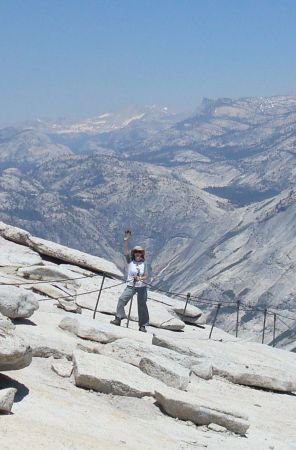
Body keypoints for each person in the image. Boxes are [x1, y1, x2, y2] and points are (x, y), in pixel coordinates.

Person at [110, 230, 149, 332]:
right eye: (136, 252)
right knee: (122, 299)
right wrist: (126, 241)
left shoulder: (145, 264)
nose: (138, 254)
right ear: (134, 253)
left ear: (142, 254)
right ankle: (118, 318)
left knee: (142, 306)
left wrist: (140, 278)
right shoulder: (130, 261)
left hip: (142, 287)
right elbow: (125, 252)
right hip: (131, 285)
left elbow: (146, 276)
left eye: (139, 252)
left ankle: (142, 325)